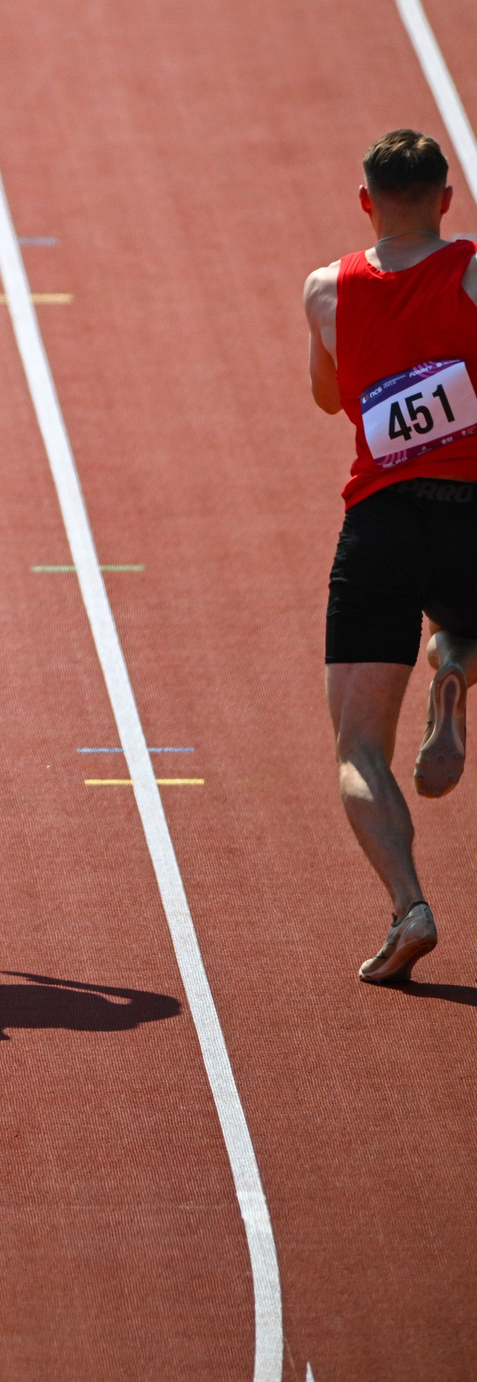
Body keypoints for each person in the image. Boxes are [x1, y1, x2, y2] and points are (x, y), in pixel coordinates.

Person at [303, 128, 477, 985]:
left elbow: (328, 393)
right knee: (464, 622)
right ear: (448, 200)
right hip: (473, 512)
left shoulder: (326, 289)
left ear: (366, 201)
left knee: (357, 745)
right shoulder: (475, 271)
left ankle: (410, 905)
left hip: (379, 521)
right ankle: (457, 665)